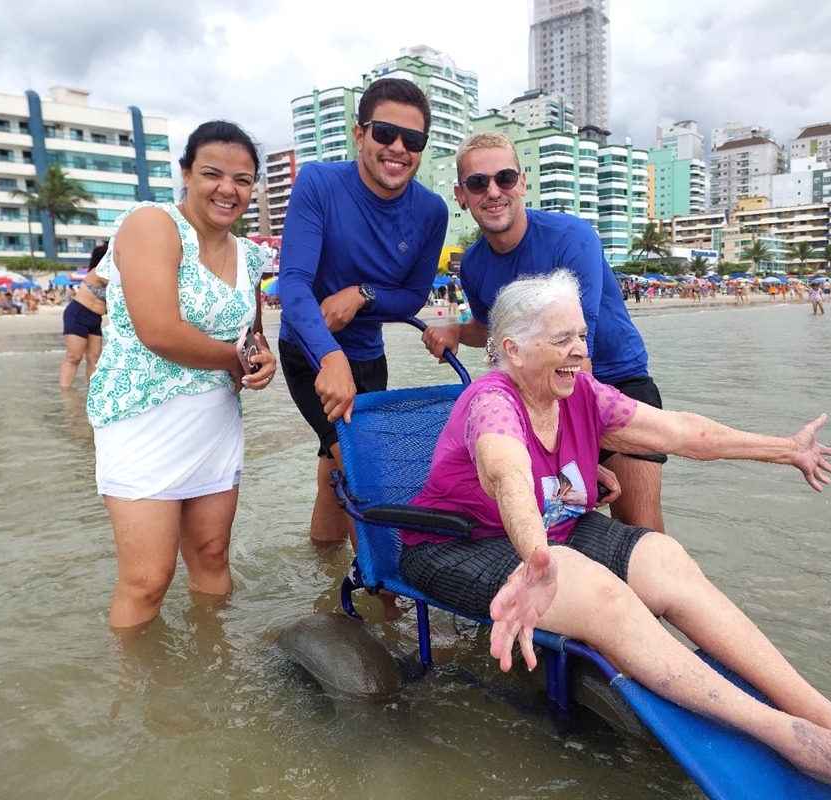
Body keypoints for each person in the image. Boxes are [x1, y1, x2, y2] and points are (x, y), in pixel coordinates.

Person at [401, 271, 831, 800]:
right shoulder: (491, 401)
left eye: (582, 336)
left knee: (664, 557)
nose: (580, 352)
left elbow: (681, 431)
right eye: (562, 339)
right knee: (597, 590)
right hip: (456, 545)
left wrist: (785, 448)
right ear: (513, 350)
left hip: (554, 531)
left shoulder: (579, 392)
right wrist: (538, 556)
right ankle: (800, 741)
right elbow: (506, 472)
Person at [422, 131, 668, 533]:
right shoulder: (473, 265)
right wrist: (455, 330)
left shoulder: (572, 238)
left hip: (617, 381)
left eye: (504, 178)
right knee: (553, 531)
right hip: (540, 399)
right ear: (461, 194)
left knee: (640, 528)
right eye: (478, 183)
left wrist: (581, 455)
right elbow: (492, 330)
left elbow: (577, 346)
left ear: (521, 182)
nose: (493, 191)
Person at [86, 120, 278, 629]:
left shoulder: (250, 254)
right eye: (213, 174)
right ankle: (135, 697)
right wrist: (238, 357)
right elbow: (159, 331)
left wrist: (263, 360)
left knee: (213, 556)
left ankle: (210, 672)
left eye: (242, 180)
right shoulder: (151, 224)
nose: (228, 189)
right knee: (147, 579)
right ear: (186, 173)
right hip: (140, 417)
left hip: (214, 422)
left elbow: (249, 334)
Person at [278, 78, 448, 545]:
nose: (397, 148)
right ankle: (385, 604)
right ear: (359, 134)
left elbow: (413, 296)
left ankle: (322, 580)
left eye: (412, 140)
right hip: (309, 350)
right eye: (384, 133)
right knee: (363, 473)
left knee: (333, 468)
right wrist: (330, 357)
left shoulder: (432, 211)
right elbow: (292, 283)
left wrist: (363, 293)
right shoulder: (317, 182)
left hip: (369, 358)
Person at [59, 243, 110, 388]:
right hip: (78, 313)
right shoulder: (97, 272)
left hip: (95, 319)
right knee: (73, 357)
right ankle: (65, 393)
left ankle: (94, 391)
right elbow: (120, 285)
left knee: (94, 358)